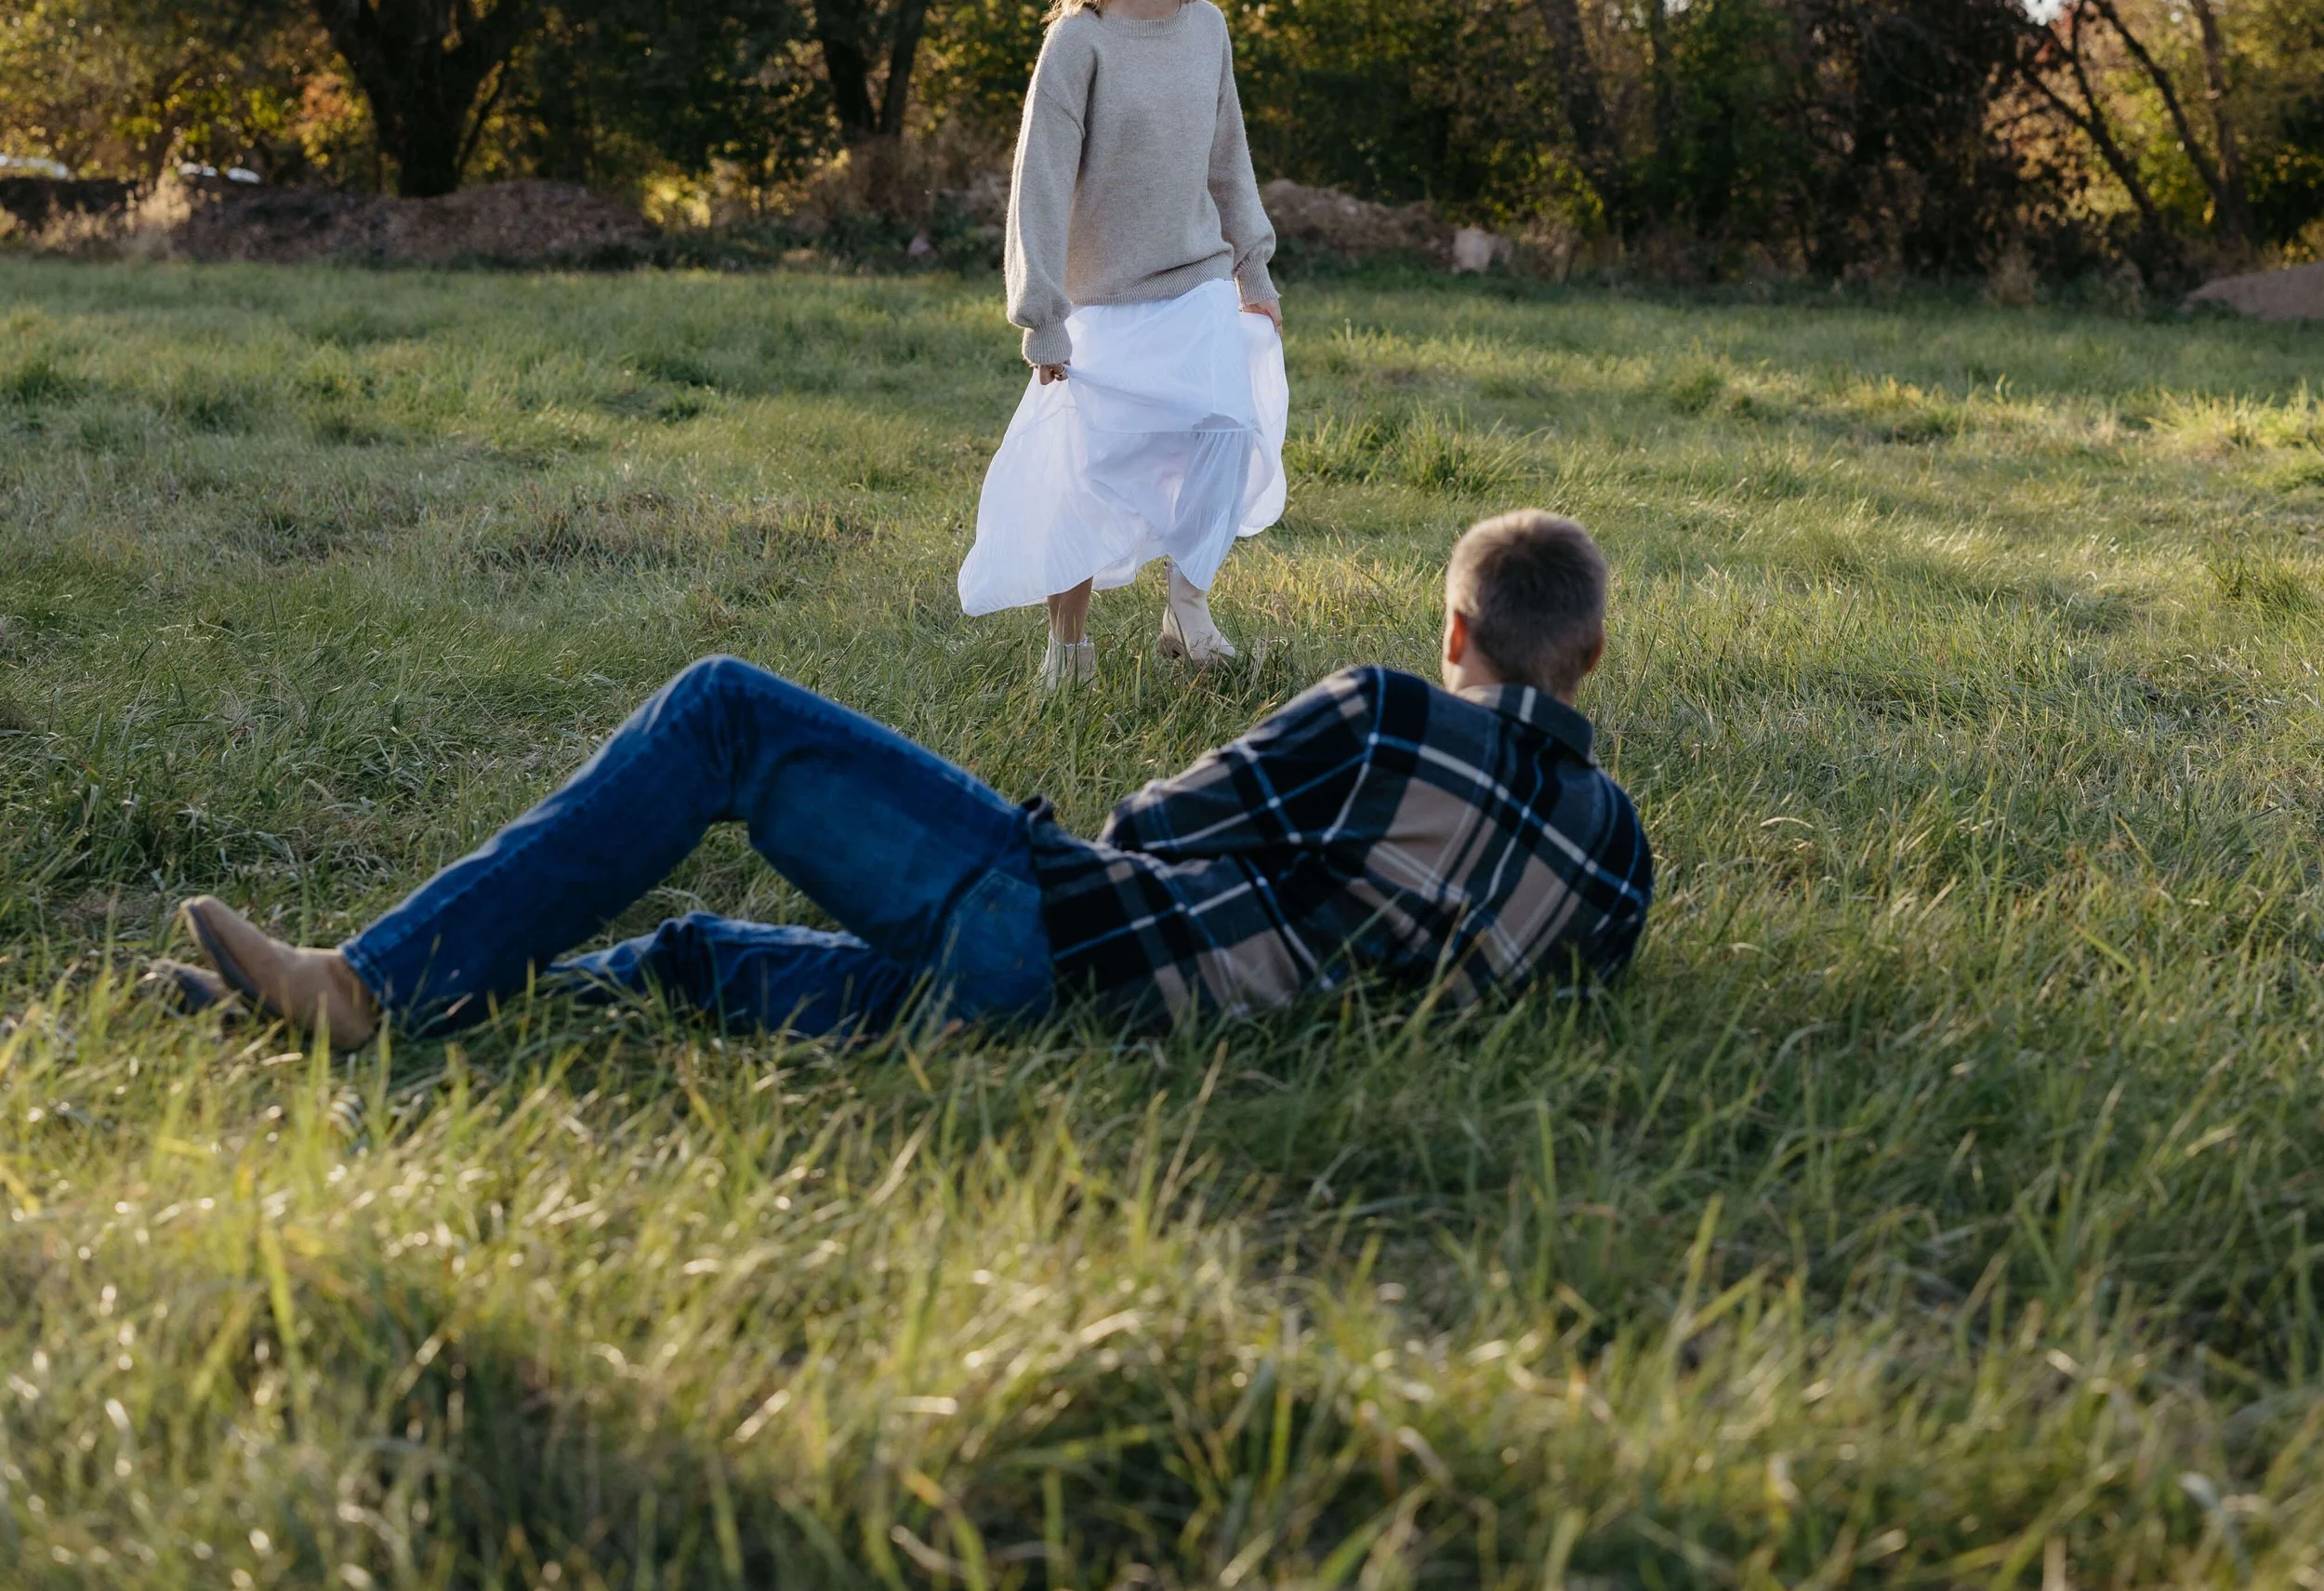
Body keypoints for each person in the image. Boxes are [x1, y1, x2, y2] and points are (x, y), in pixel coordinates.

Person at [165, 510, 1652, 1049]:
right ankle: (366, 1014)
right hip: (1105, 1036)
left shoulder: (1387, 714)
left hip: (1065, 946)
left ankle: (358, 986)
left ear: (1455, 628)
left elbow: (1149, 826)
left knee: (726, 709)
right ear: (1586, 651)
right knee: (690, 960)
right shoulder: (1619, 852)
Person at [959, 0, 1285, 692]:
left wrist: (1253, 265)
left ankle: (1188, 605)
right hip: (1102, 293)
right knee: (1082, 471)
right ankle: (1068, 649)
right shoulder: (1081, 39)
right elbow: (1037, 179)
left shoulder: (1208, 27)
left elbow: (1229, 156)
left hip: (1198, 276)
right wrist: (1043, 313)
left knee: (1226, 427)